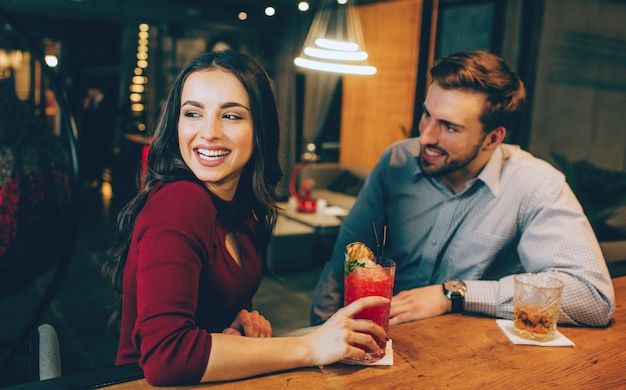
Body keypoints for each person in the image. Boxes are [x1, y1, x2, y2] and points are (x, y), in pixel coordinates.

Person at [103, 50, 388, 386]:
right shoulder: (180, 202)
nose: (208, 132)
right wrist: (310, 346)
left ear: (260, 128)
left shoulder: (241, 206)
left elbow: (202, 320)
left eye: (232, 116)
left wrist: (235, 324)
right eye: (192, 112)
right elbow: (167, 358)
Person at [311, 50, 615, 328]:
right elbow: (343, 263)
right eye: (427, 115)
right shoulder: (396, 161)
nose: (426, 137)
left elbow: (593, 297)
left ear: (492, 139)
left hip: (467, 353)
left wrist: (454, 294)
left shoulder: (535, 184)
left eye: (449, 127)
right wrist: (319, 334)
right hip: (378, 339)